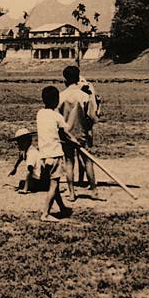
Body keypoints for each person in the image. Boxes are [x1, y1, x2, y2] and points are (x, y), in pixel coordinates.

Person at [57, 66, 100, 201]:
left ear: (65, 79)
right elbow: (93, 117)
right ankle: (93, 190)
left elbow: (57, 118)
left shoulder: (61, 96)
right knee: (88, 162)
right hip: (82, 133)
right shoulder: (85, 96)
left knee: (69, 162)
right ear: (78, 78)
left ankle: (71, 193)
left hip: (66, 134)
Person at [37, 86, 78, 222]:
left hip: (43, 155)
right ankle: (45, 213)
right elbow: (65, 133)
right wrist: (75, 141)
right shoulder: (57, 116)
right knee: (54, 186)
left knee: (54, 184)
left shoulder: (40, 114)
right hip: (54, 155)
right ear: (56, 100)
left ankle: (62, 207)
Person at [8, 128, 48, 193]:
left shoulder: (31, 153)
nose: (18, 144)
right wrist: (15, 167)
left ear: (27, 141)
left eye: (20, 142)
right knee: (22, 183)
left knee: (22, 183)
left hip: (41, 181)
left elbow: (30, 171)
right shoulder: (27, 150)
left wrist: (25, 189)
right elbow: (21, 157)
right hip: (40, 179)